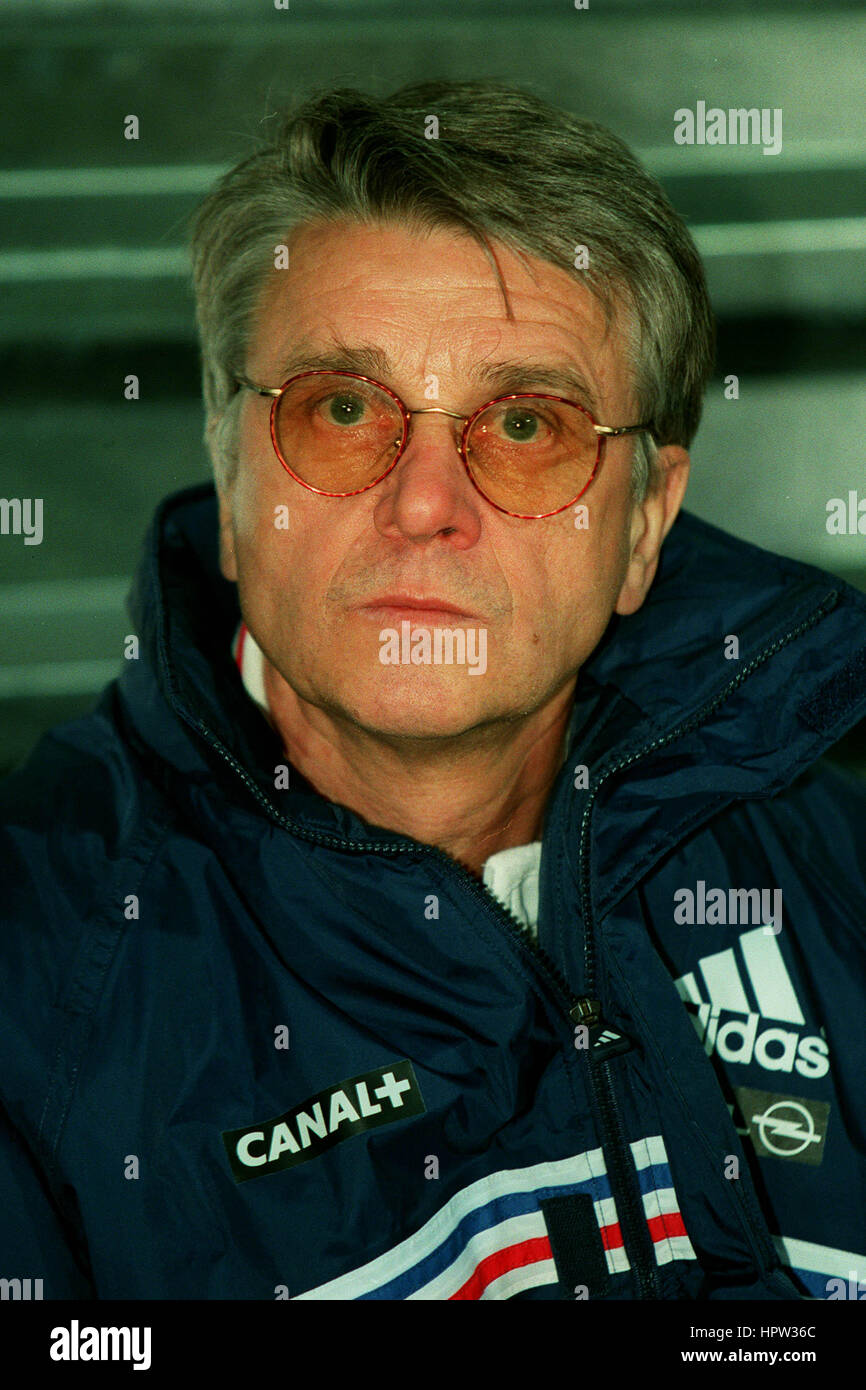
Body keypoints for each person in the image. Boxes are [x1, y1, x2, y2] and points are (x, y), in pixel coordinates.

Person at [1, 80, 864, 1303]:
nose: (422, 505)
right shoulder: (34, 993)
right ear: (228, 471)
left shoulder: (840, 880)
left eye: (524, 424)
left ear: (640, 527)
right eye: (342, 410)